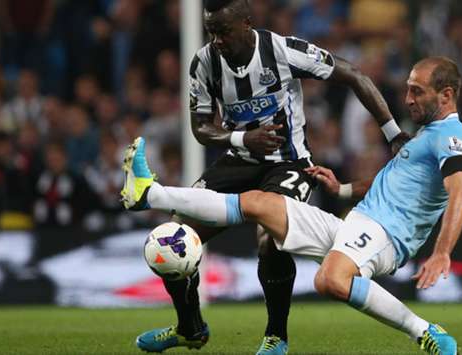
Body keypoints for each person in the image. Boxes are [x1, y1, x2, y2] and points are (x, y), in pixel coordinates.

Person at [122, 56, 462, 355]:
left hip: (385, 237)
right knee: (260, 203)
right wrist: (344, 189)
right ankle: (149, 193)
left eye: (417, 91)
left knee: (330, 280)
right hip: (356, 225)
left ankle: (424, 331)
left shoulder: (450, 138)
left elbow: (461, 194)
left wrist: (442, 252)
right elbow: (393, 185)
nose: (407, 98)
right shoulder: (426, 134)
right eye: (408, 88)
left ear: (447, 95)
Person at [128, 0, 408, 354]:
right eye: (211, 32)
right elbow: (200, 127)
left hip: (289, 163)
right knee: (174, 236)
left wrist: (394, 133)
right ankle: (190, 328)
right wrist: (243, 138)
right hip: (238, 160)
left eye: (223, 32)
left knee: (270, 237)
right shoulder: (204, 62)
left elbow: (354, 74)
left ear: (246, 24)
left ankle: (277, 335)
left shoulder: (283, 50)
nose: (217, 40)